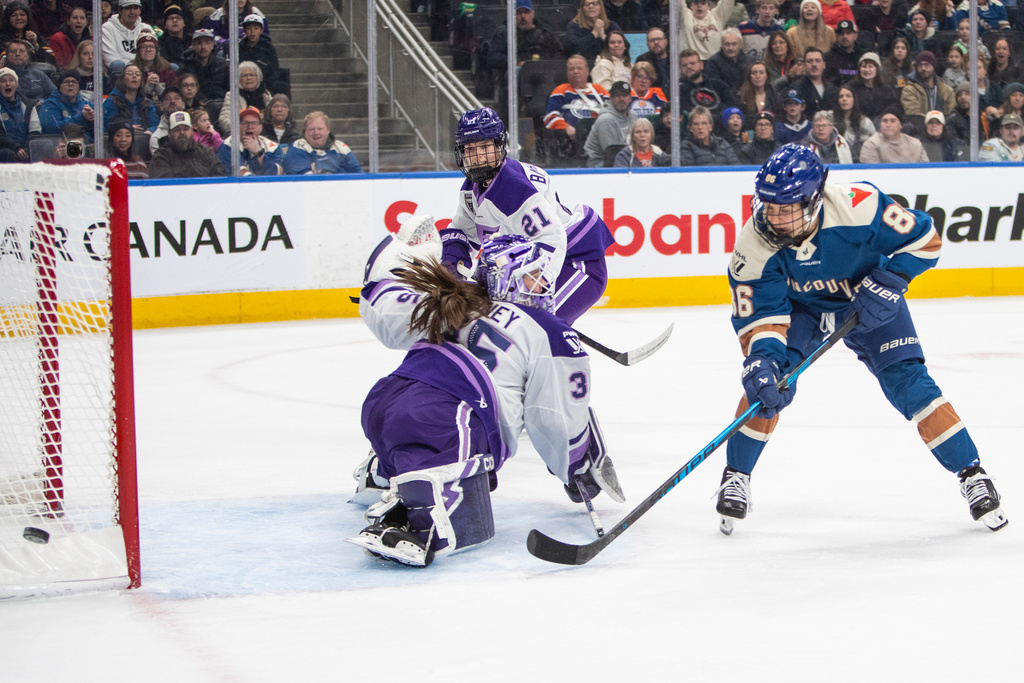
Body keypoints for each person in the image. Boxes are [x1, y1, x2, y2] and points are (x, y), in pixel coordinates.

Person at [717, 143, 1008, 536]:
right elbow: (764, 317)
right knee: (767, 386)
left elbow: (926, 240)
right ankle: (736, 474)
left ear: (815, 199)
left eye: (786, 207)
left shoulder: (860, 205)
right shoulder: (753, 245)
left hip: (867, 299)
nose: (775, 218)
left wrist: (890, 282)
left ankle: (971, 473)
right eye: (769, 206)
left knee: (911, 385)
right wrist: (763, 360)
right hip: (803, 310)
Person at [350, 225, 623, 567]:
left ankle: (384, 477)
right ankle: (427, 517)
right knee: (464, 506)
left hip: (386, 399)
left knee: (415, 444)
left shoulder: (454, 299)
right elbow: (553, 416)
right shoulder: (551, 331)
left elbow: (381, 308)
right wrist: (576, 465)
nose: (543, 285)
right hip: (449, 415)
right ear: (506, 277)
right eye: (533, 277)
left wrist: (397, 253)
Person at [442, 107, 616, 325]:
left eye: (485, 146)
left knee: (534, 330)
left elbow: (552, 237)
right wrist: (450, 272)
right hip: (547, 260)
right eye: (470, 149)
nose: (478, 157)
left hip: (577, 263)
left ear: (499, 146)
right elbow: (462, 234)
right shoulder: (472, 188)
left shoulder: (511, 187)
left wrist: (532, 291)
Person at [542, 54, 609, 162]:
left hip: (600, 139)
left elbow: (613, 113)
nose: (575, 72)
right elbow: (550, 118)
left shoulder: (599, 90)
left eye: (579, 68)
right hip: (571, 142)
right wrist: (566, 127)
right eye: (571, 69)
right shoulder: (561, 91)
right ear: (567, 72)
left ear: (587, 71)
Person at [149, 109, 226, 177]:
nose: (182, 132)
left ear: (192, 130)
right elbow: (162, 183)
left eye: (186, 129)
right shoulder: (161, 156)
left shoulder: (206, 153)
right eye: (177, 129)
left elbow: (219, 177)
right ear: (169, 133)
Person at [282, 111, 362, 175]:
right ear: (305, 131)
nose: (316, 133)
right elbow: (306, 181)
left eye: (320, 129)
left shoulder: (341, 148)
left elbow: (359, 176)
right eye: (311, 129)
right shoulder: (298, 147)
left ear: (328, 130)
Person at [216, 104, 282, 175]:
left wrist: (258, 153)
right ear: (238, 126)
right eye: (245, 123)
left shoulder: (271, 147)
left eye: (254, 123)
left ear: (260, 128)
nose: (249, 126)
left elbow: (277, 174)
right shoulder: (228, 146)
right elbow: (239, 176)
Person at [584, 79, 636, 166]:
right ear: (611, 98)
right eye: (617, 96)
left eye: (625, 95)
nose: (621, 99)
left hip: (623, 158)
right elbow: (612, 154)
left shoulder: (633, 117)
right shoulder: (606, 119)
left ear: (630, 98)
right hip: (598, 163)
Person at [900, 50, 954, 134]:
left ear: (934, 66)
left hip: (944, 133)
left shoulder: (947, 90)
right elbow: (915, 116)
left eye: (927, 64)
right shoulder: (909, 90)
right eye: (920, 65)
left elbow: (952, 114)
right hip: (920, 133)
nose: (923, 68)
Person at [678, 48, 737, 123]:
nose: (688, 67)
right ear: (680, 68)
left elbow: (730, 108)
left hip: (720, 127)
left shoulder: (719, 85)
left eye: (692, 63)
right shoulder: (679, 90)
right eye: (684, 65)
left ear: (701, 65)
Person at [216, 60, 270, 134]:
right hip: (242, 134)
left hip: (265, 134)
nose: (249, 78)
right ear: (239, 79)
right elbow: (224, 120)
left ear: (258, 77)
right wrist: (241, 129)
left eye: (252, 75)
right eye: (245, 75)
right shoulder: (232, 95)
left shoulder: (266, 94)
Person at [102, 63, 159, 133]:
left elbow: (155, 125)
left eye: (137, 74)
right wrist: (127, 128)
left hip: (144, 139)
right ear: (122, 79)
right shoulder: (112, 101)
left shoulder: (146, 103)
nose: (134, 76)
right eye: (129, 74)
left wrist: (150, 131)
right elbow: (108, 126)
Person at [179, 28, 228, 108]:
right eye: (199, 43)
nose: (203, 47)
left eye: (207, 43)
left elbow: (230, 88)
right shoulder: (186, 66)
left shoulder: (222, 64)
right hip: (197, 106)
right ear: (193, 46)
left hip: (222, 105)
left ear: (212, 45)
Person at [859, 107, 929, 162]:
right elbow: (871, 172)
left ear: (901, 125)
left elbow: (927, 170)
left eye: (893, 121)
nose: (888, 124)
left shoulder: (915, 144)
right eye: (885, 121)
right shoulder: (871, 144)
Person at [0, 66, 40, 162]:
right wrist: (16, 148)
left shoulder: (29, 105)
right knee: (6, 154)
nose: (8, 83)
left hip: (25, 148)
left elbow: (35, 131)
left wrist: (26, 148)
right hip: (6, 148)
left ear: (16, 84)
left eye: (11, 80)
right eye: (3, 81)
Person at [39, 69, 92, 139]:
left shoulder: (87, 105)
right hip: (60, 144)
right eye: (67, 82)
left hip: (86, 144)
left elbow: (102, 132)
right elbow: (52, 128)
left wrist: (92, 121)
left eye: (74, 82)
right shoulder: (50, 104)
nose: (70, 84)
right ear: (59, 86)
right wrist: (81, 118)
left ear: (79, 87)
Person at [238, 12, 283, 94]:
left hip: (264, 86)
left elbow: (274, 69)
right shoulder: (238, 48)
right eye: (249, 29)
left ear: (261, 30)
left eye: (256, 28)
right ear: (244, 30)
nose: (252, 32)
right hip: (243, 87)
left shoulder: (268, 47)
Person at [787, 46, 838, 118]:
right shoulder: (796, 88)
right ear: (804, 65)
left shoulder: (833, 89)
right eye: (810, 61)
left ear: (824, 65)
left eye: (817, 61)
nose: (814, 64)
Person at [565, 0, 621, 64]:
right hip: (583, 66)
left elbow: (622, 48)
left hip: (609, 65)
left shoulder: (611, 26)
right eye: (587, 4)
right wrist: (594, 33)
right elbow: (574, 49)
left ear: (601, 7)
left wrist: (604, 37)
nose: (591, 6)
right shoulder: (573, 26)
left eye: (594, 3)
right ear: (582, 8)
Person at [849, 52, 900, 121]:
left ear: (877, 69)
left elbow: (894, 106)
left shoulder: (885, 89)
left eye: (870, 66)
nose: (867, 70)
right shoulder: (851, 87)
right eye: (864, 66)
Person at [100, 0, 152, 68]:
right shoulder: (107, 28)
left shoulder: (146, 28)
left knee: (169, 66)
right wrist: (132, 71)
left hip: (144, 70)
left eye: (135, 8)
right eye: (128, 8)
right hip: (120, 74)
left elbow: (154, 55)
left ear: (140, 11)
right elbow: (110, 59)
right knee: (117, 65)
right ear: (120, 11)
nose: (132, 12)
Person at [203, 0, 268, 53]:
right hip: (225, 50)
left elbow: (264, 34)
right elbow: (211, 34)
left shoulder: (255, 12)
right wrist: (225, 42)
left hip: (250, 48)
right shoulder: (219, 13)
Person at [132, 30, 177, 103]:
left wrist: (158, 87)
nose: (148, 50)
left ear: (156, 50)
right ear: (138, 51)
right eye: (143, 47)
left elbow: (175, 96)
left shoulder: (167, 70)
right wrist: (147, 87)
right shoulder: (132, 71)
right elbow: (130, 97)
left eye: (151, 47)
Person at [833, 84, 875, 161]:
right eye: (841, 96)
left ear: (854, 99)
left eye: (848, 96)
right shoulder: (831, 122)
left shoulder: (865, 122)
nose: (844, 99)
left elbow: (874, 144)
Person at [704, 27, 753, 92]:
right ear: (721, 45)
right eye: (727, 44)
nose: (730, 48)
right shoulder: (713, 62)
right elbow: (714, 86)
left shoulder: (750, 61)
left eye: (734, 44)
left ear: (740, 44)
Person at [47, 5, 89, 69]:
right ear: (68, 21)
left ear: (86, 22)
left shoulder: (92, 40)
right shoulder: (57, 38)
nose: (79, 21)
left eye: (82, 18)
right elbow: (59, 65)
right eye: (75, 17)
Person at [824, 19, 862, 86]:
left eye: (848, 33)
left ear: (855, 36)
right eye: (841, 33)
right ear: (836, 36)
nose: (845, 36)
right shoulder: (827, 57)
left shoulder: (863, 56)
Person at [148, 85, 185, 153]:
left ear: (183, 105)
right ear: (161, 106)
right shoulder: (157, 138)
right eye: (167, 99)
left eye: (176, 98)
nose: (172, 101)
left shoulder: (194, 131)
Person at [634, 26, 669, 91]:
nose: (656, 42)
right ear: (647, 45)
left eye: (659, 39)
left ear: (665, 42)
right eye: (652, 40)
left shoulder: (674, 58)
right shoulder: (642, 60)